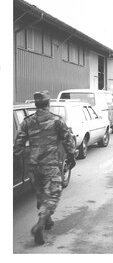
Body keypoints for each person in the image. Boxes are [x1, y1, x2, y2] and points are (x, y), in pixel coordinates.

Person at [13, 90, 76, 245]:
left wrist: (24, 160)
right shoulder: (56, 121)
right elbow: (68, 141)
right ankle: (40, 224)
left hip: (33, 166)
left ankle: (47, 220)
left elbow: (18, 147)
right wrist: (72, 158)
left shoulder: (27, 122)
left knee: (41, 194)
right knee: (54, 194)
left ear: (36, 105)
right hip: (50, 164)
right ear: (48, 104)